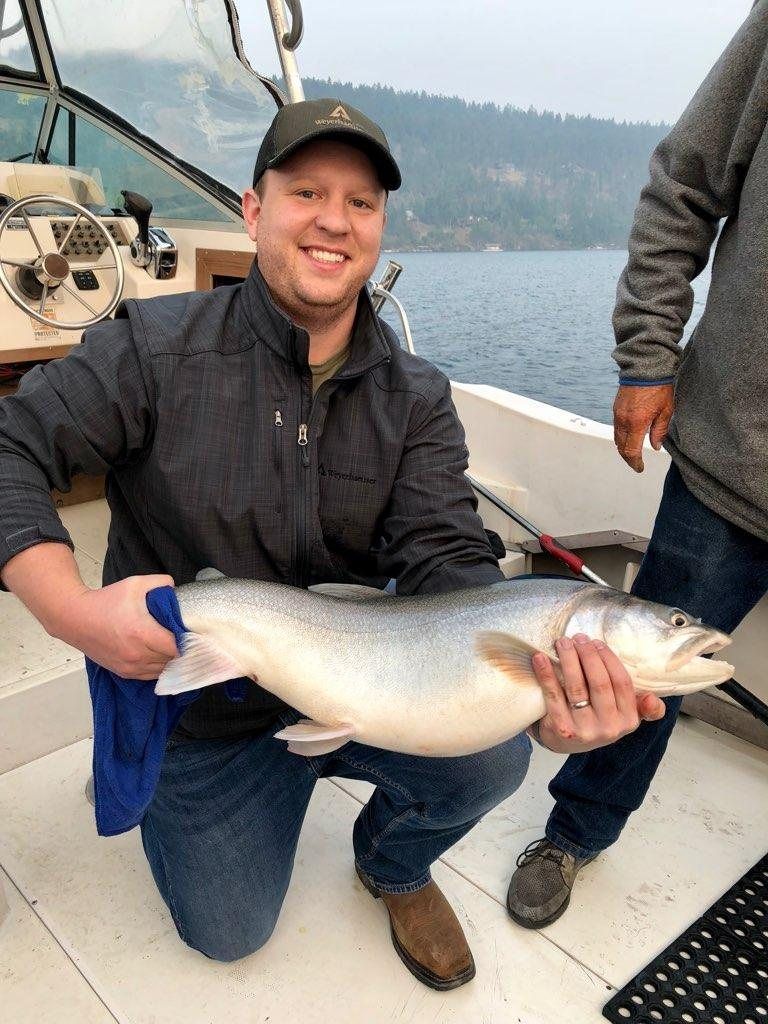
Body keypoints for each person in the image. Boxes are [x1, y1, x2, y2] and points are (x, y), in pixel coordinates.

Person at [0, 98, 661, 988]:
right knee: (228, 932)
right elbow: (12, 446)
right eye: (307, 190)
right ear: (253, 207)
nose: (333, 221)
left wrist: (538, 685)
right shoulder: (153, 351)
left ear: (380, 227)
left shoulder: (417, 398)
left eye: (361, 202)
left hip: (372, 681)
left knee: (494, 753)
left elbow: (446, 557)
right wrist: (75, 614)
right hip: (207, 706)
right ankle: (182, 796)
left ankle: (391, 862)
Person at [507, 0, 768, 930]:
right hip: (735, 462)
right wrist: (648, 355)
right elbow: (685, 183)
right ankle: (575, 832)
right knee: (639, 669)